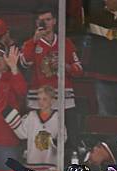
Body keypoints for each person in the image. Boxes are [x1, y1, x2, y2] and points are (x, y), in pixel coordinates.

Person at [21, 7, 82, 144]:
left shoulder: (65, 43)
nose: (45, 23)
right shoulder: (29, 43)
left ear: (54, 21)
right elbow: (24, 63)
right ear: (37, 23)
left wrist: (65, 66)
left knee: (69, 140)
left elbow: (79, 69)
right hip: (39, 100)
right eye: (41, 21)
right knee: (40, 141)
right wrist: (33, 41)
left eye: (48, 19)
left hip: (64, 99)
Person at [4, 85, 65, 169]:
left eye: (44, 99)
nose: (41, 102)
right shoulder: (31, 116)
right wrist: (11, 117)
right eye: (39, 99)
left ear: (52, 100)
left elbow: (63, 138)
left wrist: (55, 142)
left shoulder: (58, 117)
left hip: (51, 165)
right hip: (32, 163)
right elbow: (22, 134)